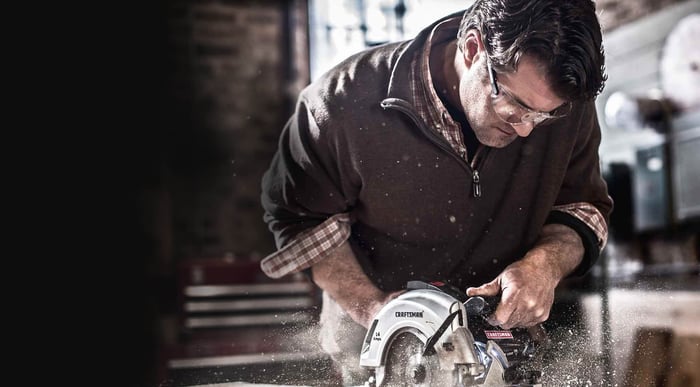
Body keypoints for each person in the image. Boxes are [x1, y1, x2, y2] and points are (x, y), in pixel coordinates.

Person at [260, 0, 612, 384]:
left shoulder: (565, 101)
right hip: (385, 348)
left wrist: (544, 265)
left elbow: (581, 208)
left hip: (501, 344)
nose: (527, 129)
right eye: (514, 105)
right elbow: (302, 221)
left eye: (545, 116)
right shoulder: (339, 104)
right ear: (474, 47)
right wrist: (376, 308)